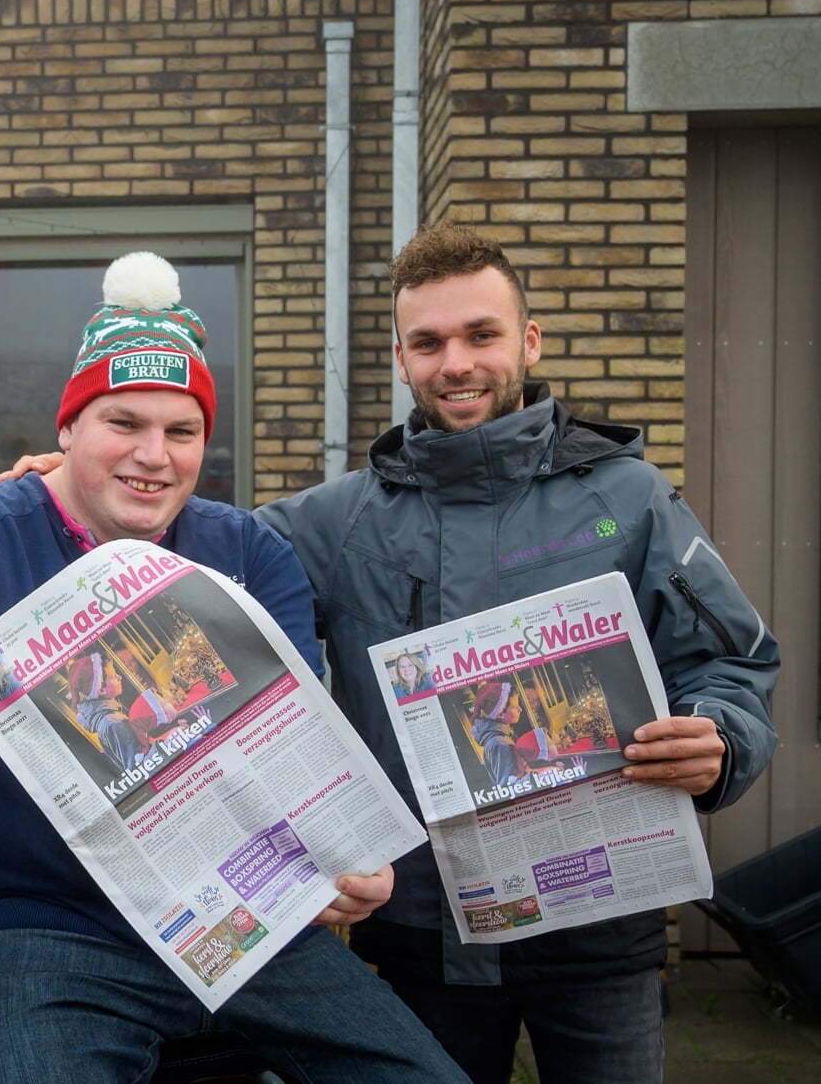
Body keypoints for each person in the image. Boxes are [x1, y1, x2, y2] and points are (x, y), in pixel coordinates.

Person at [0, 252, 465, 1083]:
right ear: (68, 428)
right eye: (123, 422)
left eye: (181, 431)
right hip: (30, 925)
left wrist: (331, 865)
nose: (154, 455)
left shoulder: (248, 553)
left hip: (237, 913)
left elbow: (295, 751)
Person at [256, 222, 781, 1084]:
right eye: (429, 342)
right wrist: (75, 483)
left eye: (481, 335)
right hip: (420, 936)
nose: (455, 363)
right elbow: (177, 566)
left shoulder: (631, 497)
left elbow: (735, 662)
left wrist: (717, 736)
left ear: (528, 341)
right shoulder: (338, 521)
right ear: (400, 358)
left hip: (601, 932)